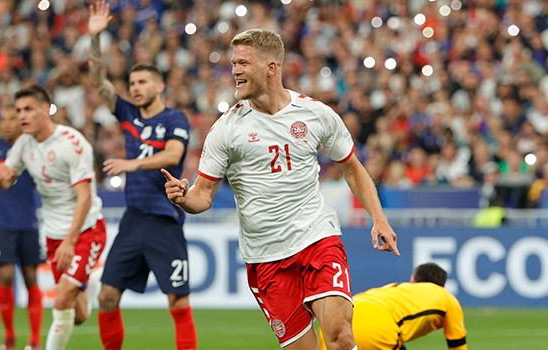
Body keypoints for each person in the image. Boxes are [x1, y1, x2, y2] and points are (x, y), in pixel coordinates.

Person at [163, 28, 399, 350]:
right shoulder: (226, 130)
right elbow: (202, 196)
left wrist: (379, 219)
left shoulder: (316, 115)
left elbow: (352, 168)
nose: (235, 70)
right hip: (266, 258)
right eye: (234, 63)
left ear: (271, 68)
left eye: (244, 63)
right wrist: (183, 198)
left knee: (341, 337)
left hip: (316, 238)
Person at [88, 2, 197, 350]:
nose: (135, 88)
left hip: (165, 219)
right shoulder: (127, 113)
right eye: (132, 82)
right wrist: (94, 36)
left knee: (177, 302)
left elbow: (174, 155)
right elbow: (98, 80)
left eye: (142, 82)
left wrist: (132, 164)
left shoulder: (175, 119)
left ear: (160, 85)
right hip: (134, 220)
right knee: (106, 296)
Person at [0, 85, 106, 350]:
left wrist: (70, 240)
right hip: (53, 234)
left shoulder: (72, 143)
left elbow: (85, 197)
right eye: (19, 110)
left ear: (46, 110)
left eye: (28, 109)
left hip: (86, 230)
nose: (22, 116)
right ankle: (92, 287)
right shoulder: (24, 144)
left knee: (61, 299)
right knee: (77, 315)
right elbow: (7, 179)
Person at [0, 106, 44, 350]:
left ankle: (34, 339)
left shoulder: (33, 148)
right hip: (0, 222)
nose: (8, 123)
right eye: (3, 119)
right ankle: (10, 335)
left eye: (12, 118)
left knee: (31, 277)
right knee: (5, 275)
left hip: (28, 222)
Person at [319, 263, 468, 350]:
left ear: (413, 280)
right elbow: (457, 343)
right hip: (379, 328)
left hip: (338, 318)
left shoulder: (394, 289)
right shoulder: (447, 298)